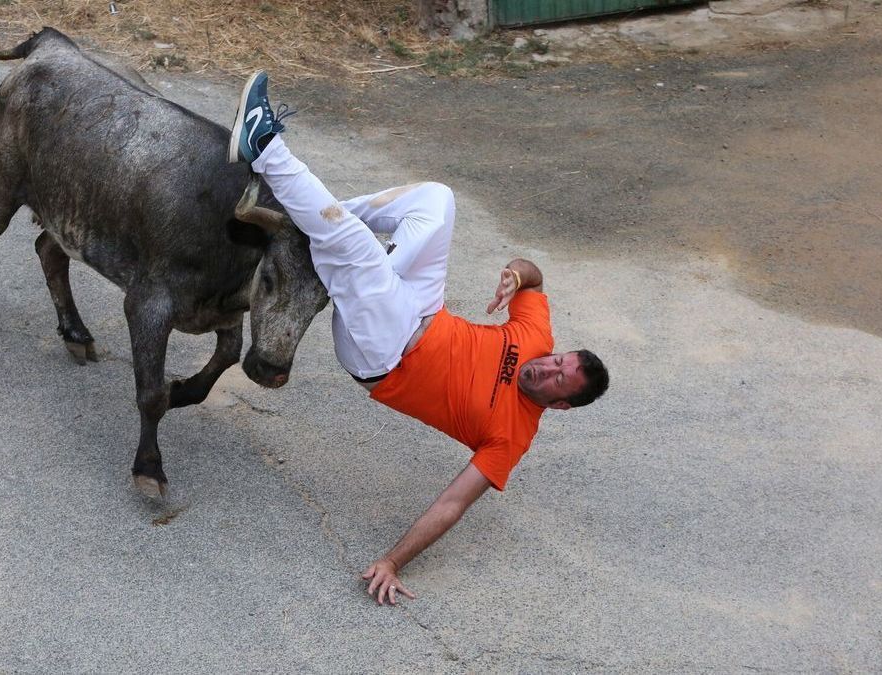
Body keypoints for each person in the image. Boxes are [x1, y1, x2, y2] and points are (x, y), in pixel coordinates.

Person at [229, 72, 609, 605]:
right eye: (557, 359)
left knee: (359, 253)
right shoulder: (536, 337)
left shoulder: (510, 438)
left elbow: (453, 504)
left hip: (383, 355)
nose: (544, 367)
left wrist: (393, 559)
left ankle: (264, 147)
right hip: (420, 306)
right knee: (436, 202)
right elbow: (535, 273)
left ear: (561, 405)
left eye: (554, 379)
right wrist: (516, 275)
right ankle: (310, 219)